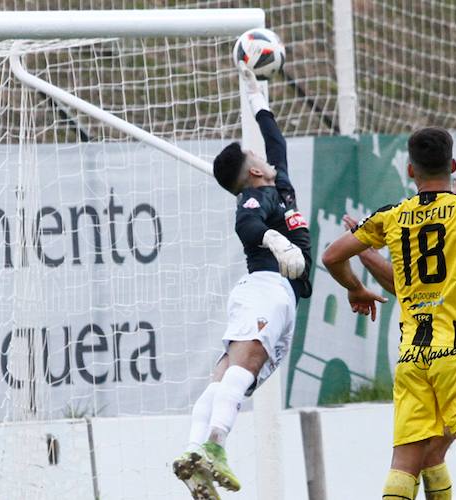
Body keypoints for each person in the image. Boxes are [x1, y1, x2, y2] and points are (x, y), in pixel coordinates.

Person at [172, 61, 312, 500]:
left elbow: (277, 142)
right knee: (243, 368)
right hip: (266, 288)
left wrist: (259, 99)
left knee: (227, 376)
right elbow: (247, 228)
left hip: (277, 296)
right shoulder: (256, 196)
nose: (265, 159)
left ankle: (194, 453)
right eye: (257, 159)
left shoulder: (279, 186)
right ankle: (214, 445)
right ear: (253, 173)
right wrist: (276, 240)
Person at [322, 127, 456, 500]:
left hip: (414, 355)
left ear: (410, 171)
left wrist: (355, 287)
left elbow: (332, 256)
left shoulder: (393, 217)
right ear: (453, 165)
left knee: (406, 462)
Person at [342, 214, 455, 500]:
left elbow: (402, 286)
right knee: (429, 452)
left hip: (422, 353)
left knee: (424, 454)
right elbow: (407, 287)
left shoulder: (406, 217)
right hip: (447, 351)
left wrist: (364, 250)